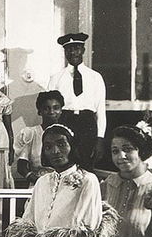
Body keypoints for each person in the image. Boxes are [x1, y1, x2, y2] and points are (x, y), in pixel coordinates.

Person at [45, 33, 107, 168]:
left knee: (86, 165)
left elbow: (101, 110)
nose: (73, 52)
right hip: (65, 122)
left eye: (77, 48)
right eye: (69, 49)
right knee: (66, 163)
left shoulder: (95, 77)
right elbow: (50, 109)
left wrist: (100, 138)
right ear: (65, 52)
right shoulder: (56, 78)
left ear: (83, 50)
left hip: (87, 124)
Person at [14, 91, 67, 186]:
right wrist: (38, 182)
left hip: (63, 185)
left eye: (56, 108)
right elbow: (21, 166)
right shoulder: (31, 133)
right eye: (46, 108)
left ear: (61, 110)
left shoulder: (67, 134)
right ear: (40, 111)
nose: (51, 112)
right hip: (37, 185)